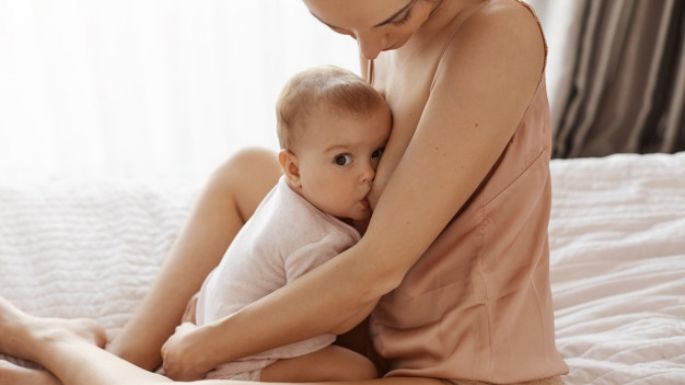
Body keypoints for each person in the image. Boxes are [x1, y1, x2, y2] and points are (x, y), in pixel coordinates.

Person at [0, 1, 569, 385]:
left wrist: (210, 344)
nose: (373, 46)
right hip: (377, 316)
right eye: (342, 29)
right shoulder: (385, 21)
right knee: (245, 173)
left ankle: (52, 344)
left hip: (457, 367)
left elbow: (376, 268)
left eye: (394, 16)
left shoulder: (497, 32)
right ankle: (124, 359)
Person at [185, 65, 389, 382]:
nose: (369, 173)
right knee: (359, 370)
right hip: (240, 358)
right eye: (342, 159)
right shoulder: (317, 240)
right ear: (293, 168)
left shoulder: (289, 195)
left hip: (211, 309)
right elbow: (334, 319)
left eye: (377, 153)